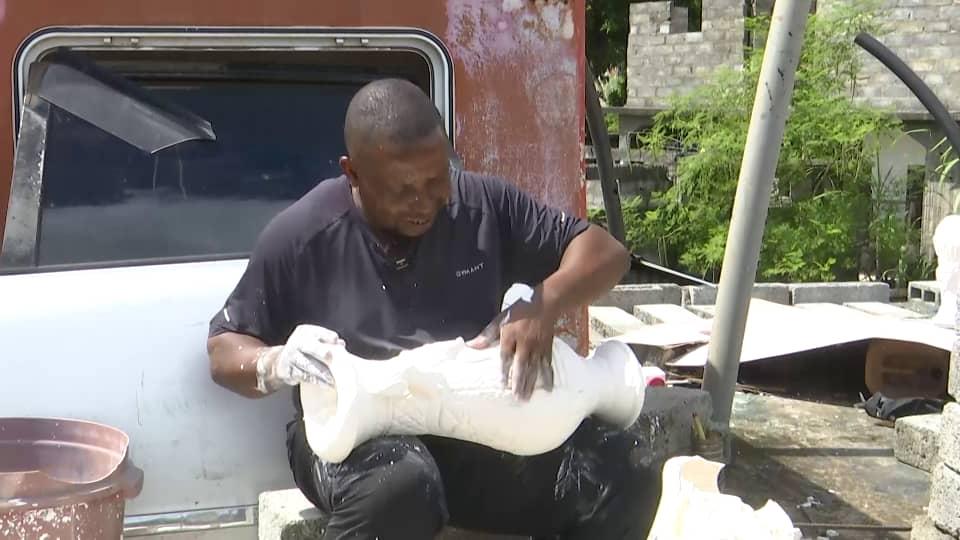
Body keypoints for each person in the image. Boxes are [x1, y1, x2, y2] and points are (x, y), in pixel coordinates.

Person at [206, 78, 660, 539]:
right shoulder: (304, 236)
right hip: (351, 436)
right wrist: (275, 361)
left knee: (625, 469)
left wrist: (543, 302)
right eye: (401, 188)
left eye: (436, 178)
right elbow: (224, 349)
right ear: (354, 174)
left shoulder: (481, 205)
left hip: (474, 423)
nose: (423, 201)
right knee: (401, 487)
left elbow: (606, 253)